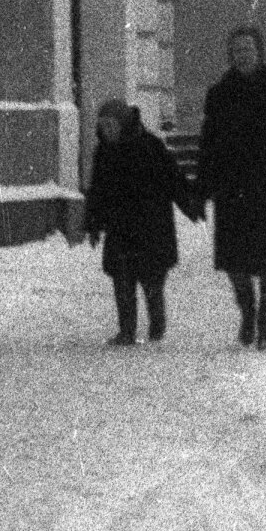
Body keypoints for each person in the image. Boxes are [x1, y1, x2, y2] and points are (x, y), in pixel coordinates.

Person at [194, 23, 266, 347]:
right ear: (230, 55)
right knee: (236, 265)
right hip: (232, 191)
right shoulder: (219, 94)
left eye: (248, 49)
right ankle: (247, 312)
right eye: (237, 50)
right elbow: (209, 143)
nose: (242, 55)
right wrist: (202, 188)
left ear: (259, 51)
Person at [82, 96, 189, 346]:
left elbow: (173, 179)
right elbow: (98, 190)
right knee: (122, 281)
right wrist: (93, 224)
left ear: (123, 123)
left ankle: (157, 325)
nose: (107, 131)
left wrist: (190, 205)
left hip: (151, 226)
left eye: (111, 125)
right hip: (120, 228)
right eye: (103, 126)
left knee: (151, 281)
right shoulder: (104, 152)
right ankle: (126, 331)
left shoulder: (150, 146)